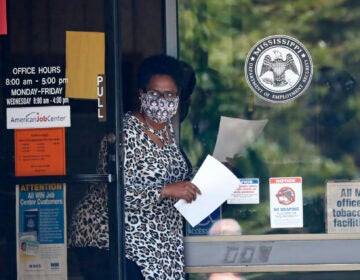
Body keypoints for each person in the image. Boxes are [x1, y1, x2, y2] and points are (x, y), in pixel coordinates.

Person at [69, 54, 201, 280]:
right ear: (142, 94)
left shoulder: (167, 134)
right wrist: (167, 190)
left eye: (169, 95)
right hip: (115, 245)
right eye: (155, 94)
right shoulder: (123, 134)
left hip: (157, 246)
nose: (162, 101)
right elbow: (115, 190)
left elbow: (180, 181)